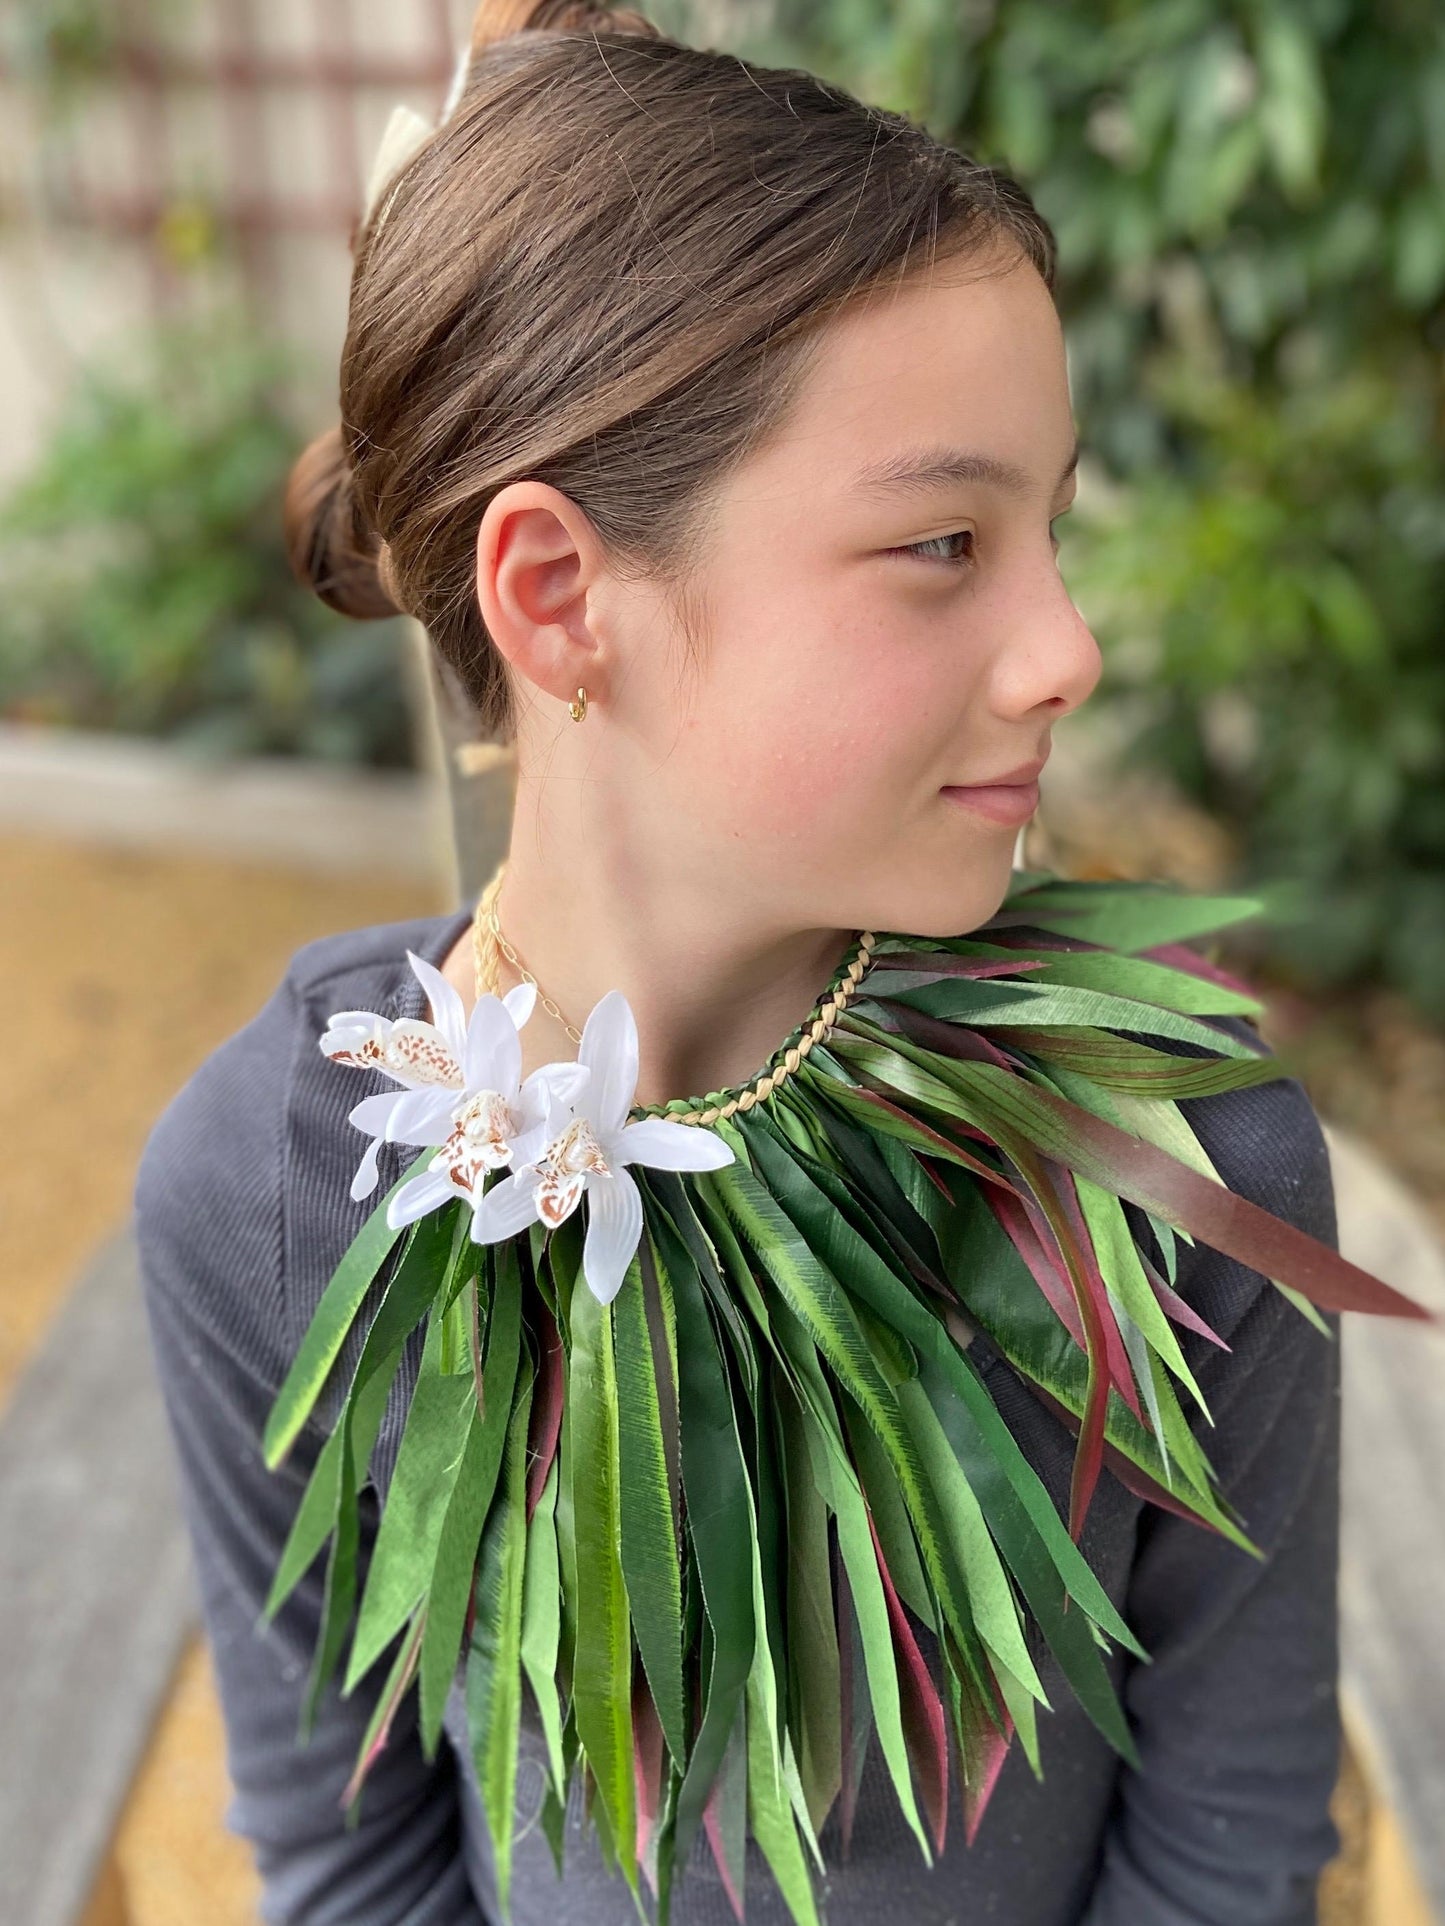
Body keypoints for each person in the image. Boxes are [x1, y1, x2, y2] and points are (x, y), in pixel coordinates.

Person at [133, 4, 1345, 1922]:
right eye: (944, 540)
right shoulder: (268, 1190)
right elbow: (351, 1856)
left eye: (1051, 527)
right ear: (558, 594)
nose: (1066, 648)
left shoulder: (1181, 1175)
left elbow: (1228, 1841)